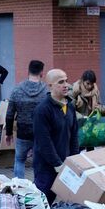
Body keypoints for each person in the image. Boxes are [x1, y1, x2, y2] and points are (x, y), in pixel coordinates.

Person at [32, 69, 79, 202]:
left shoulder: (69, 106)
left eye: (66, 80)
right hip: (46, 168)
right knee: (43, 204)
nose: (66, 85)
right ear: (50, 85)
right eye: (60, 82)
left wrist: (74, 160)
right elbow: (44, 142)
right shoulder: (42, 110)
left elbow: (74, 135)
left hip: (65, 165)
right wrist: (57, 164)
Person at [5, 60, 47, 180]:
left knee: (19, 160)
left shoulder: (17, 90)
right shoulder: (46, 91)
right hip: (40, 133)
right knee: (39, 162)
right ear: (42, 73)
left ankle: (19, 187)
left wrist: (8, 133)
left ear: (28, 71)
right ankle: (38, 188)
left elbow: (9, 114)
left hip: (23, 132)